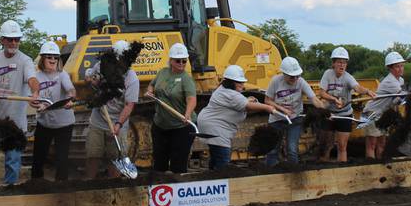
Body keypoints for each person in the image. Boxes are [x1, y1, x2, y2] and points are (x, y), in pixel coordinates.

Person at [0, 20, 39, 186]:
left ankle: (10, 191)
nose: (13, 43)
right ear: (2, 40)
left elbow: (32, 79)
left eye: (17, 39)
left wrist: (35, 93)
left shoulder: (25, 60)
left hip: (15, 123)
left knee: (12, 160)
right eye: (10, 39)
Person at [196, 65, 279, 170]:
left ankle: (212, 175)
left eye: (242, 82)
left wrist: (249, 100)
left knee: (215, 154)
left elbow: (240, 104)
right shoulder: (231, 94)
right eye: (239, 82)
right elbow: (247, 106)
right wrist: (267, 107)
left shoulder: (223, 89)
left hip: (209, 124)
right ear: (231, 82)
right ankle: (222, 178)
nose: (242, 84)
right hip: (216, 128)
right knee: (223, 158)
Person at [84, 40, 139, 179]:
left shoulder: (132, 79)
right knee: (92, 155)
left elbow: (129, 105)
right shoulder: (102, 66)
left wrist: (119, 123)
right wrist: (92, 80)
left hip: (117, 122)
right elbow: (89, 76)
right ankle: (88, 184)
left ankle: (113, 187)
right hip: (97, 121)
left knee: (115, 159)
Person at [317, 47, 376, 162]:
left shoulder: (348, 77)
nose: (342, 65)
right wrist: (333, 99)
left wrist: (368, 91)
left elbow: (357, 87)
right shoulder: (327, 74)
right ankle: (322, 168)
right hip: (329, 114)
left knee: (342, 146)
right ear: (333, 63)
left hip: (344, 114)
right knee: (325, 146)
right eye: (339, 62)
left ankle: (341, 167)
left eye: (344, 63)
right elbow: (321, 93)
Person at [145, 42, 197, 173]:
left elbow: (191, 99)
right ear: (171, 60)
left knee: (177, 164)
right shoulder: (163, 72)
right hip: (160, 126)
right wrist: (150, 91)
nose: (181, 63)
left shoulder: (186, 79)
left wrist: (187, 113)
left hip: (181, 127)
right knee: (159, 163)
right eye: (178, 61)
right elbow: (152, 84)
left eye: (184, 61)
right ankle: (161, 189)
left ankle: (178, 188)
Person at [264, 56, 326, 166]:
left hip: (295, 119)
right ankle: (270, 173)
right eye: (292, 77)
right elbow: (267, 100)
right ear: (284, 74)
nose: (295, 79)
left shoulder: (301, 82)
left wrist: (325, 112)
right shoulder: (275, 81)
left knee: (292, 149)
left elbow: (314, 99)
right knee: (273, 149)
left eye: (297, 76)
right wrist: (283, 110)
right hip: (277, 119)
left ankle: (293, 174)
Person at [31, 41, 76, 181]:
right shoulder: (36, 76)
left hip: (64, 124)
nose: (52, 60)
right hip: (44, 123)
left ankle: (62, 188)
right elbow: (33, 97)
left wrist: (70, 98)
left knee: (62, 158)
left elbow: (71, 89)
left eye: (55, 57)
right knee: (38, 156)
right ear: (42, 58)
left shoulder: (62, 75)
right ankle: (36, 184)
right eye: (49, 57)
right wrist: (35, 103)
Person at [363, 51, 411, 159]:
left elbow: (398, 100)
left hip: (384, 114)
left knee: (382, 143)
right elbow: (403, 95)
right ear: (390, 68)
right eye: (397, 67)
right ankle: (370, 167)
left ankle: (381, 165)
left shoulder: (400, 80)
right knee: (372, 144)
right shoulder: (390, 81)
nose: (401, 69)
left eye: (401, 66)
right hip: (372, 113)